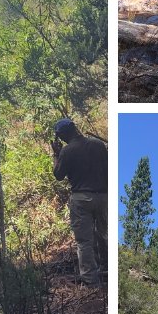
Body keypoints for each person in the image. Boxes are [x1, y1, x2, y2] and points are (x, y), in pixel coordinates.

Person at [51, 118, 107, 285]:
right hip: (104, 196)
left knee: (84, 241)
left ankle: (91, 281)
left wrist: (56, 154)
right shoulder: (97, 144)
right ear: (75, 128)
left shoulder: (67, 151)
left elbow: (58, 175)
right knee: (105, 234)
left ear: (61, 136)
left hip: (81, 198)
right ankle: (108, 270)